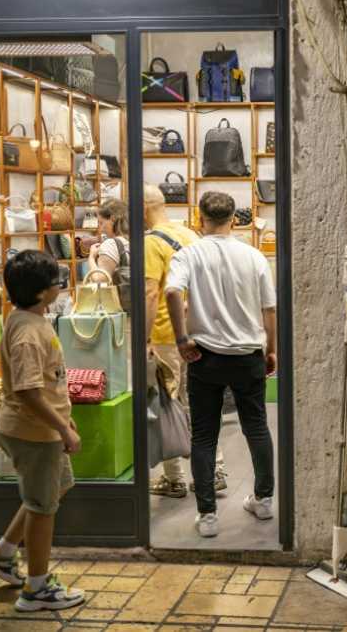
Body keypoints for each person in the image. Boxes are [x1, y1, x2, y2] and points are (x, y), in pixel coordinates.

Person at [0, 250, 84, 612]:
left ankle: (2, 553)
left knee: (52, 491)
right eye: (55, 282)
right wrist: (62, 428)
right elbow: (28, 391)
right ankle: (37, 588)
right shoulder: (27, 333)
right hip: (33, 433)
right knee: (42, 507)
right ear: (40, 292)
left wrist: (62, 420)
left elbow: (45, 384)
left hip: (43, 430)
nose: (60, 286)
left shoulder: (29, 320)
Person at [165, 191, 278, 539]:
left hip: (206, 355)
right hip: (248, 354)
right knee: (256, 428)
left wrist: (181, 339)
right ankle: (263, 500)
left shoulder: (189, 254)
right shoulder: (253, 256)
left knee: (204, 435)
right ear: (234, 219)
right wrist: (271, 350)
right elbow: (269, 308)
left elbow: (172, 291)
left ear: (200, 218)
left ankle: (208, 515)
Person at [142, 184, 201, 499]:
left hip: (166, 333)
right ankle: (214, 469)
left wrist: (144, 337)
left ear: (143, 208)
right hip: (196, 330)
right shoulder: (190, 234)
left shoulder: (151, 242)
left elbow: (151, 293)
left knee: (167, 404)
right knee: (197, 403)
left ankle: (174, 477)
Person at [88, 197, 128, 277]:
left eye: (101, 223)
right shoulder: (139, 239)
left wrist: (91, 257)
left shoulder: (111, 244)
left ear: (112, 219)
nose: (101, 229)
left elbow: (99, 279)